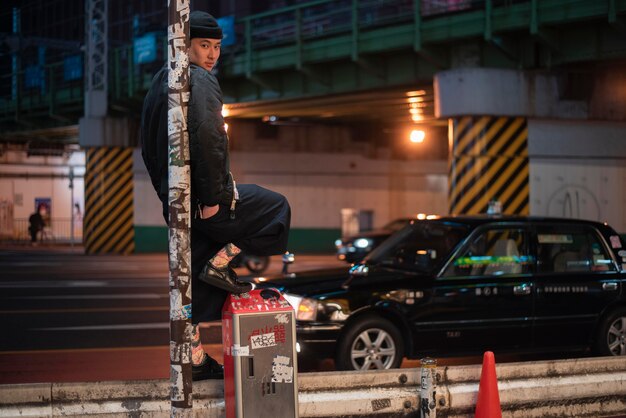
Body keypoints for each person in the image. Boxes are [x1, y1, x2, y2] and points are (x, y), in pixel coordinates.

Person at [140, 11, 291, 381]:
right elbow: (209, 136)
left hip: (177, 204)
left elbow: (148, 147)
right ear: (184, 45)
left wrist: (169, 197)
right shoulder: (200, 79)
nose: (211, 54)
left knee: (187, 286)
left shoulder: (160, 82)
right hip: (205, 200)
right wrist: (216, 196)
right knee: (275, 207)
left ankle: (195, 359)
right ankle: (223, 262)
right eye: (204, 45)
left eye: (217, 47)